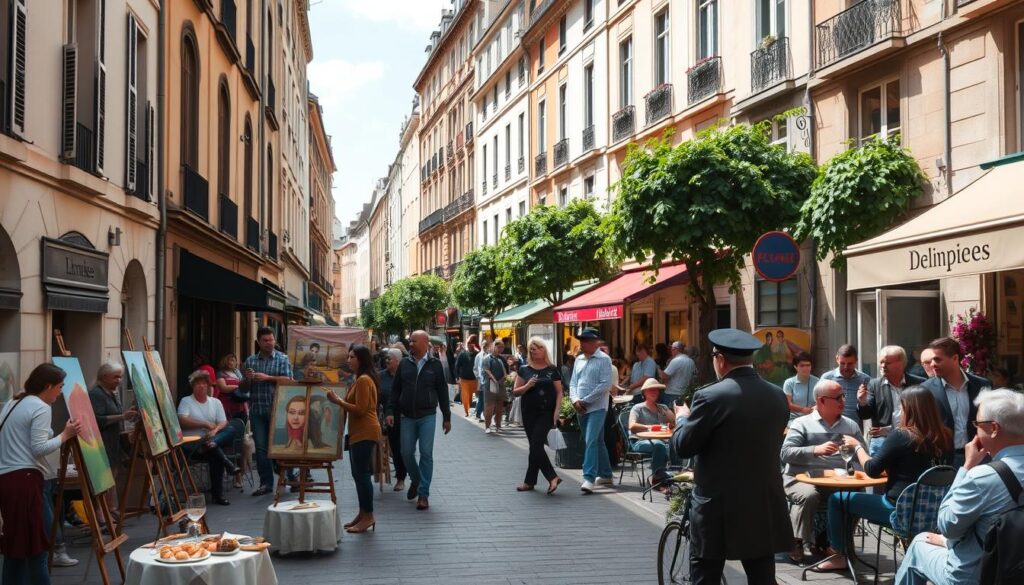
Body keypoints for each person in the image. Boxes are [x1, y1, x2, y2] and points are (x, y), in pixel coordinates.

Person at [672, 328, 792, 585]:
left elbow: (683, 446)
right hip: (762, 500)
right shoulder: (777, 395)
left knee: (706, 573)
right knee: (762, 576)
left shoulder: (710, 395)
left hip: (718, 504)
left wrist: (682, 417)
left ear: (720, 359)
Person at [814, 386, 953, 572]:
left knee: (838, 500)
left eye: (902, 406)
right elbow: (922, 468)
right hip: (932, 515)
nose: (899, 411)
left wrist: (857, 447)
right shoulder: (945, 436)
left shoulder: (902, 435)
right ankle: (849, 550)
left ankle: (839, 555)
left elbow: (871, 469)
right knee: (851, 500)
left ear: (909, 408)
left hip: (898, 511)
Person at [895, 389, 1024, 585]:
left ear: (993, 428)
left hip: (978, 575)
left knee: (919, 543)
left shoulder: (981, 477)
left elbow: (948, 526)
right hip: (1017, 568)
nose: (975, 431)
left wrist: (966, 467)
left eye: (977, 424)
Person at [0, 364, 82, 585]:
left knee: (16, 549)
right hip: (24, 481)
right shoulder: (40, 407)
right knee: (36, 550)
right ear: (48, 386)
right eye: (60, 387)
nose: (61, 392)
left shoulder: (13, 402)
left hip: (8, 480)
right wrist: (66, 434)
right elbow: (39, 448)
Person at [781, 379, 866, 563]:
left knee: (858, 495)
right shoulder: (802, 423)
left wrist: (855, 471)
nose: (843, 401)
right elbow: (785, 454)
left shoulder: (850, 425)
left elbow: (862, 455)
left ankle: (836, 542)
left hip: (837, 480)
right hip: (800, 478)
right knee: (809, 495)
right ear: (821, 401)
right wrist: (814, 450)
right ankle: (796, 541)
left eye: (843, 396)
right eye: (838, 397)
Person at [384, 330, 451, 511]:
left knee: (426, 453)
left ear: (424, 342)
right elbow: (395, 390)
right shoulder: (404, 364)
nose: (410, 344)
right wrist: (390, 411)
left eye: (413, 341)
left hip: (427, 415)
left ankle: (423, 494)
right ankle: (416, 478)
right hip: (407, 416)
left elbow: (443, 391)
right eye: (409, 341)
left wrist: (447, 416)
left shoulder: (435, 365)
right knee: (406, 452)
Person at [327, 345, 381, 534]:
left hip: (366, 432)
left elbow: (360, 409)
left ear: (361, 359)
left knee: (362, 475)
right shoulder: (359, 379)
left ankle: (368, 516)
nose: (348, 360)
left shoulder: (365, 380)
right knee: (358, 475)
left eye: (352, 357)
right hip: (358, 433)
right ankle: (362, 513)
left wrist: (338, 401)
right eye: (348, 357)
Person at [241, 327, 295, 496]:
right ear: (258, 342)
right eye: (265, 340)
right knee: (262, 448)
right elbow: (243, 389)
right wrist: (247, 379)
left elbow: (289, 381)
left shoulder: (282, 359)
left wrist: (268, 378)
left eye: (271, 340)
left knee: (282, 446)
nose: (269, 343)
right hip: (257, 409)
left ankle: (289, 475)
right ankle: (266, 483)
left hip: (278, 409)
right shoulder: (250, 361)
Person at [921, 336, 991, 466]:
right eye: (930, 360)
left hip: (979, 457)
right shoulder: (926, 389)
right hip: (943, 461)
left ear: (955, 358)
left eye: (937, 359)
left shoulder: (981, 386)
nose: (932, 365)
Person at [177, 370, 239, 506]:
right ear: (193, 386)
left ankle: (212, 444)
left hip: (210, 441)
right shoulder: (186, 401)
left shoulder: (215, 402)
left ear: (208, 386)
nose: (201, 386)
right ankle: (218, 494)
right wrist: (204, 423)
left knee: (230, 430)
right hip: (193, 444)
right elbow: (182, 420)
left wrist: (215, 430)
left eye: (204, 383)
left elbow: (223, 422)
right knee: (216, 454)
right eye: (198, 383)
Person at [511, 337, 563, 495]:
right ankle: (529, 481)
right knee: (535, 446)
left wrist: (556, 412)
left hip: (546, 412)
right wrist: (527, 386)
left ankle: (552, 477)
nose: (534, 350)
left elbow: (560, 392)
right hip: (528, 412)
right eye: (531, 348)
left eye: (537, 347)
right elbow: (515, 391)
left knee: (535, 444)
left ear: (543, 349)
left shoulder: (552, 369)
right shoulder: (524, 369)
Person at [88, 360, 138, 521]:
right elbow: (97, 419)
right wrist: (122, 416)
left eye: (121, 377)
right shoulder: (96, 394)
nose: (119, 381)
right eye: (116, 377)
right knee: (103, 481)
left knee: (111, 479)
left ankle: (112, 511)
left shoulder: (112, 393)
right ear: (104, 377)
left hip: (112, 443)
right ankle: (103, 515)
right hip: (101, 444)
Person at [569, 328, 615, 494]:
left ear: (595, 342)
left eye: (586, 340)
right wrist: (575, 400)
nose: (583, 343)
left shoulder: (604, 359)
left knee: (591, 440)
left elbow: (604, 385)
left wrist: (585, 401)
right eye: (581, 340)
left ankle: (589, 477)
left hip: (597, 407)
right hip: (581, 406)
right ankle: (606, 474)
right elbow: (573, 382)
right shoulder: (579, 359)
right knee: (597, 440)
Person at [857, 345, 926, 456]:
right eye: (881, 362)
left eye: (888, 363)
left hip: (912, 440)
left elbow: (924, 415)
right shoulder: (874, 385)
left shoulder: (918, 384)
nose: (883, 366)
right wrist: (862, 401)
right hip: (882, 442)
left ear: (901, 364)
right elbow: (865, 415)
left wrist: (891, 430)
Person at [628, 378, 675, 489]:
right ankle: (656, 479)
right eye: (651, 390)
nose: (654, 392)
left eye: (656, 390)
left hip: (662, 440)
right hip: (640, 441)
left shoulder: (662, 408)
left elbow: (674, 423)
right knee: (659, 445)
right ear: (644, 392)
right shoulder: (637, 408)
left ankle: (672, 476)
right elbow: (632, 426)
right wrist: (651, 428)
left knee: (674, 444)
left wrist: (667, 413)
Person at [378, 348, 407, 492]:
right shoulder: (380, 376)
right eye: (386, 358)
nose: (387, 360)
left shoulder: (405, 376)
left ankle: (409, 474)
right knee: (396, 449)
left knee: (406, 450)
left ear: (398, 361)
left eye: (390, 358)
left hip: (406, 417)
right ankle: (400, 478)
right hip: (389, 418)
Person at [820, 344, 872, 423]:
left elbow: (869, 410)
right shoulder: (827, 378)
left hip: (855, 428)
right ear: (837, 359)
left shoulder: (865, 380)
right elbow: (819, 403)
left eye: (850, 364)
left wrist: (863, 401)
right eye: (842, 363)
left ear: (856, 361)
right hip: (831, 427)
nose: (846, 367)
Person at [481, 340, 508, 434]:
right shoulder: (487, 358)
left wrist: (504, 379)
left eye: (502, 347)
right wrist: (495, 380)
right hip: (489, 385)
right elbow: (487, 371)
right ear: (494, 346)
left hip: (501, 384)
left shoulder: (501, 359)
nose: (501, 349)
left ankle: (498, 426)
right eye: (499, 347)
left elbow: (505, 372)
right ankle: (487, 426)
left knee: (500, 407)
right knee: (489, 406)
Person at [783, 352, 819, 421]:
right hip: (794, 419)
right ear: (795, 366)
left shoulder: (818, 381)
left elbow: (822, 401)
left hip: (813, 419)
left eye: (808, 365)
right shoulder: (789, 383)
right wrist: (802, 409)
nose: (805, 368)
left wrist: (815, 408)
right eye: (802, 365)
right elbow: (788, 404)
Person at [214, 353, 249, 424]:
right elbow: (223, 388)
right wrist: (237, 387)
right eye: (228, 360)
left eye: (233, 360)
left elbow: (244, 386)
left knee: (241, 426)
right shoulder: (220, 373)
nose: (230, 362)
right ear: (224, 362)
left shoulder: (237, 373)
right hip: (227, 405)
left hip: (240, 405)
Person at [660, 341, 696, 407]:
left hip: (672, 394)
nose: (671, 351)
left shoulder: (676, 360)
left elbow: (664, 376)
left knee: (670, 416)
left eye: (672, 349)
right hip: (685, 394)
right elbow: (694, 377)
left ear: (676, 349)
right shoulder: (691, 361)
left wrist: (660, 371)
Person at [454, 335, 479, 417]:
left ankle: (471, 408)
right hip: (464, 379)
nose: (471, 345)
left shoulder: (477, 354)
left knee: (471, 396)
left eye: (472, 343)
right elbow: (457, 366)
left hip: (474, 379)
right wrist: (457, 377)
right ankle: (466, 411)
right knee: (465, 396)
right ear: (467, 344)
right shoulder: (462, 354)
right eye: (469, 343)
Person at [473, 339, 491, 422]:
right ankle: (478, 413)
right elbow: (475, 368)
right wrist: (478, 377)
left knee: (487, 398)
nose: (484, 346)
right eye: (483, 345)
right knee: (481, 397)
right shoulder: (478, 356)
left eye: (486, 345)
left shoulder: (490, 355)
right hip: (481, 380)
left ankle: (484, 414)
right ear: (481, 345)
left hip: (489, 379)